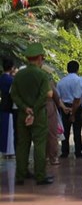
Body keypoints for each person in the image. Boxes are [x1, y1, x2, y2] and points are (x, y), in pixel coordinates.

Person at [10, 43, 53, 185]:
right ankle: (40, 176)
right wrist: (34, 109)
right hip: (39, 114)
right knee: (39, 145)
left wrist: (25, 108)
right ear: (40, 57)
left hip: (23, 114)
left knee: (22, 145)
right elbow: (47, 95)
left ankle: (20, 176)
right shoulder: (42, 74)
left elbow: (13, 94)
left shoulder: (19, 74)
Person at [56, 60, 82, 159]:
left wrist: (64, 108)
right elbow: (80, 97)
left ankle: (65, 151)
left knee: (65, 130)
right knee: (77, 130)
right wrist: (74, 108)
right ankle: (78, 151)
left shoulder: (61, 81)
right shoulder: (80, 81)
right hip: (77, 107)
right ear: (77, 69)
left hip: (65, 107)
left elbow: (58, 97)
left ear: (67, 69)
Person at [0, 58, 15, 157]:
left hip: (2, 105)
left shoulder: (1, 78)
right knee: (10, 128)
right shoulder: (12, 80)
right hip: (10, 105)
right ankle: (10, 151)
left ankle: (3, 150)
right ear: (12, 68)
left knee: (3, 128)